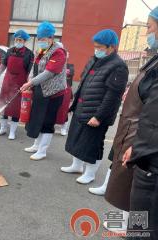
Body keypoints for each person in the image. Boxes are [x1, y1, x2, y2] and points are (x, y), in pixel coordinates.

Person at [60, 29, 128, 184]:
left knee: (92, 145)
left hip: (97, 113)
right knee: (76, 139)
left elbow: (113, 96)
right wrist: (74, 105)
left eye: (100, 47)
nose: (96, 50)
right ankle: (76, 166)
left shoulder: (118, 66)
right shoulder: (94, 60)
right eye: (95, 46)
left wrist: (99, 116)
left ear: (111, 47)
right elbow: (83, 82)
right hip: (82, 108)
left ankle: (90, 174)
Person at [119, 7, 158, 239]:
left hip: (151, 166)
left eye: (150, 27)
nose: (147, 32)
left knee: (142, 230)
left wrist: (138, 151)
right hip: (148, 154)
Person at [20, 21, 67, 161]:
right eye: (39, 39)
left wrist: (31, 82)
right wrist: (29, 81)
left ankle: (42, 150)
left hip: (53, 93)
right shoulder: (40, 51)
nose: (41, 41)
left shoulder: (59, 53)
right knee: (37, 118)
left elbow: (48, 73)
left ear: (51, 38)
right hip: (40, 90)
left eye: (44, 39)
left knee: (47, 121)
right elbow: (34, 69)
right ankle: (36, 145)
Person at [0, 29, 34, 140]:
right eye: (16, 39)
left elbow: (30, 71)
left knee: (15, 109)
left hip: (20, 84)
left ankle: (12, 132)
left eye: (20, 40)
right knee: (4, 107)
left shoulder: (29, 54)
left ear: (24, 41)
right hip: (7, 82)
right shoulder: (9, 51)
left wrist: (29, 84)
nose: (18, 41)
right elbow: (2, 67)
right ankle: (3, 128)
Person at [56, 51, 74, 136]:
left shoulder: (70, 67)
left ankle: (64, 128)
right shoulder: (55, 64)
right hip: (56, 89)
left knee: (64, 110)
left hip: (66, 90)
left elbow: (70, 76)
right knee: (55, 108)